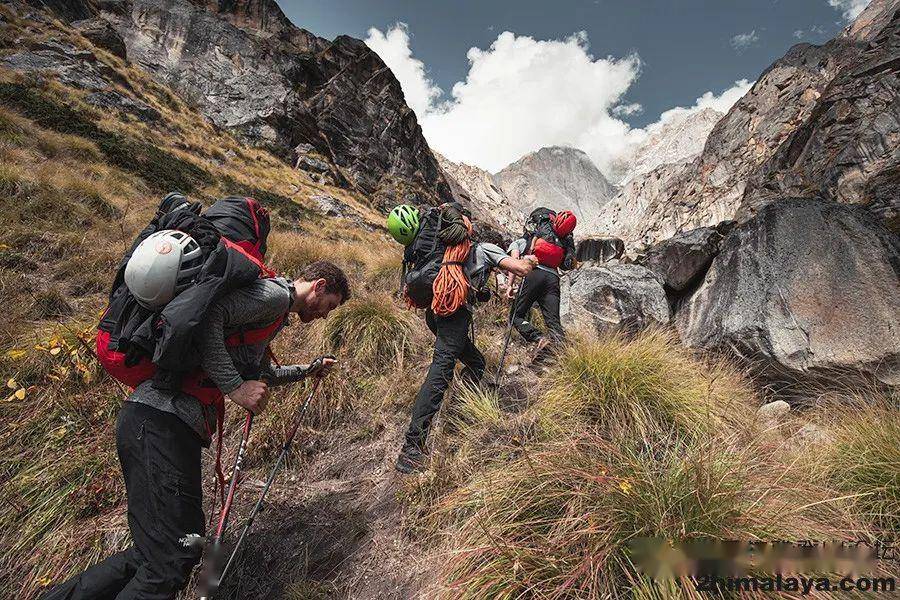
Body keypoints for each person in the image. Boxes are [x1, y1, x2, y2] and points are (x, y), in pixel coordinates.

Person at [42, 261, 350, 600]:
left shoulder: (272, 316)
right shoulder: (274, 297)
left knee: (153, 553)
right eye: (330, 305)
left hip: (155, 422)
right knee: (172, 556)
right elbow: (208, 320)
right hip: (162, 422)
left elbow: (260, 374)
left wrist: (309, 370)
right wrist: (234, 388)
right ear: (319, 286)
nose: (325, 315)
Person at [395, 240, 537, 474]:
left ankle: (462, 400)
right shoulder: (484, 249)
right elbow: (520, 268)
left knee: (477, 362)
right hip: (453, 314)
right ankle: (412, 447)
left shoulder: (449, 251)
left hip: (435, 312)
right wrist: (532, 259)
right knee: (441, 370)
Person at [506, 211, 577, 359]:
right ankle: (563, 358)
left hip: (535, 274)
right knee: (553, 323)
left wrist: (509, 285)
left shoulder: (543, 227)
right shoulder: (568, 241)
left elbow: (522, 254)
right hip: (553, 279)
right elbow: (568, 265)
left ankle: (539, 338)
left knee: (516, 315)